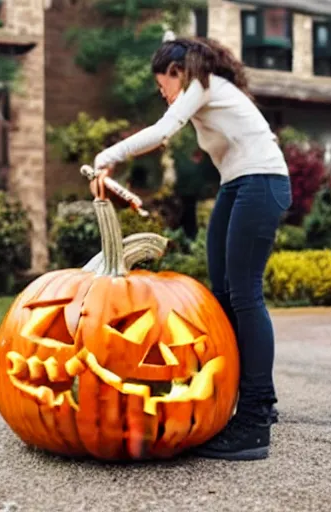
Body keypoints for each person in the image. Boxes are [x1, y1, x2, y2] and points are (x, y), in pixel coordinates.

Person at [92, 36, 292, 461]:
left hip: (262, 182)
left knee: (244, 294)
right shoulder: (208, 90)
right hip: (238, 184)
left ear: (176, 71)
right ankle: (252, 400)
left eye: (161, 82)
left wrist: (108, 155)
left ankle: (255, 420)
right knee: (221, 295)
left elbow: (164, 131)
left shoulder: (202, 83)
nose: (162, 92)